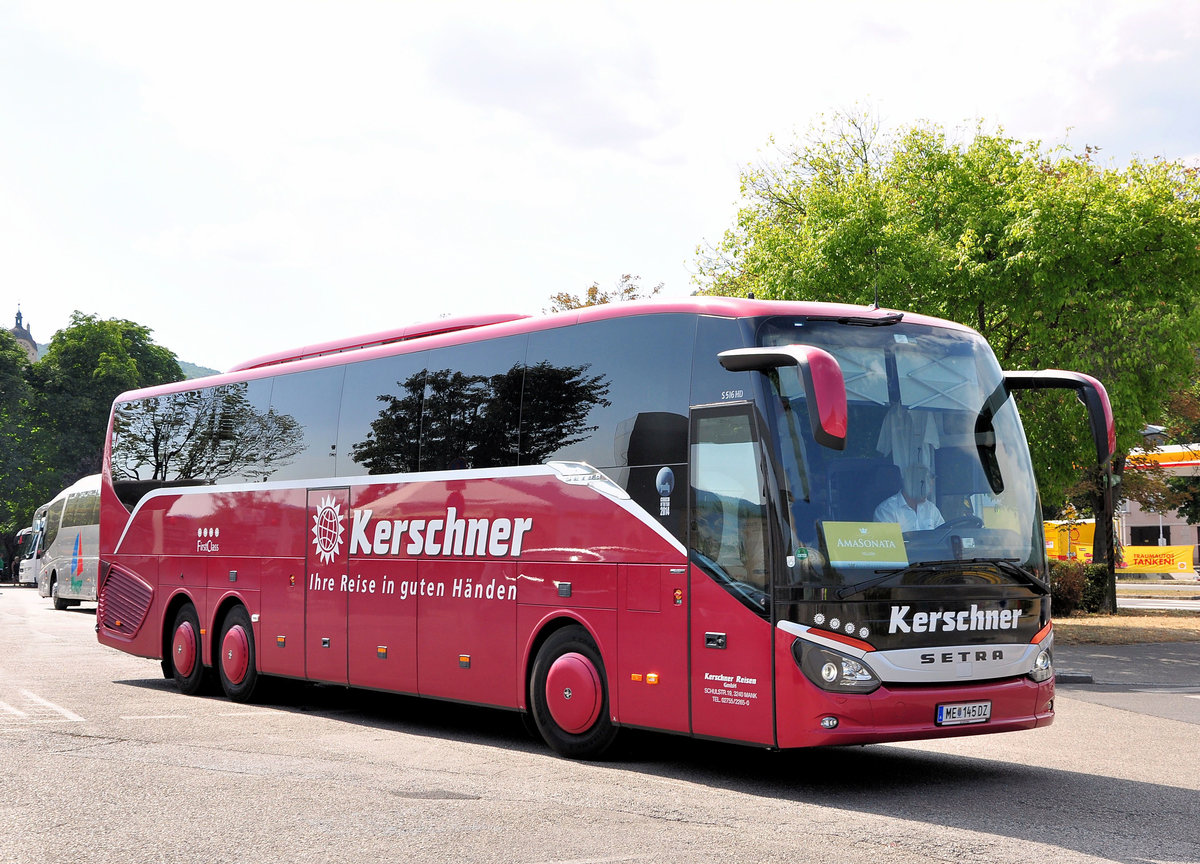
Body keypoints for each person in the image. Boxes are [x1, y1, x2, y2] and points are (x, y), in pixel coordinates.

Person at [874, 464, 944, 532]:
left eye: (929, 489)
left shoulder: (931, 508)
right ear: (912, 487)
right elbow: (889, 542)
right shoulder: (886, 511)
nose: (928, 493)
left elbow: (942, 535)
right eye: (925, 489)